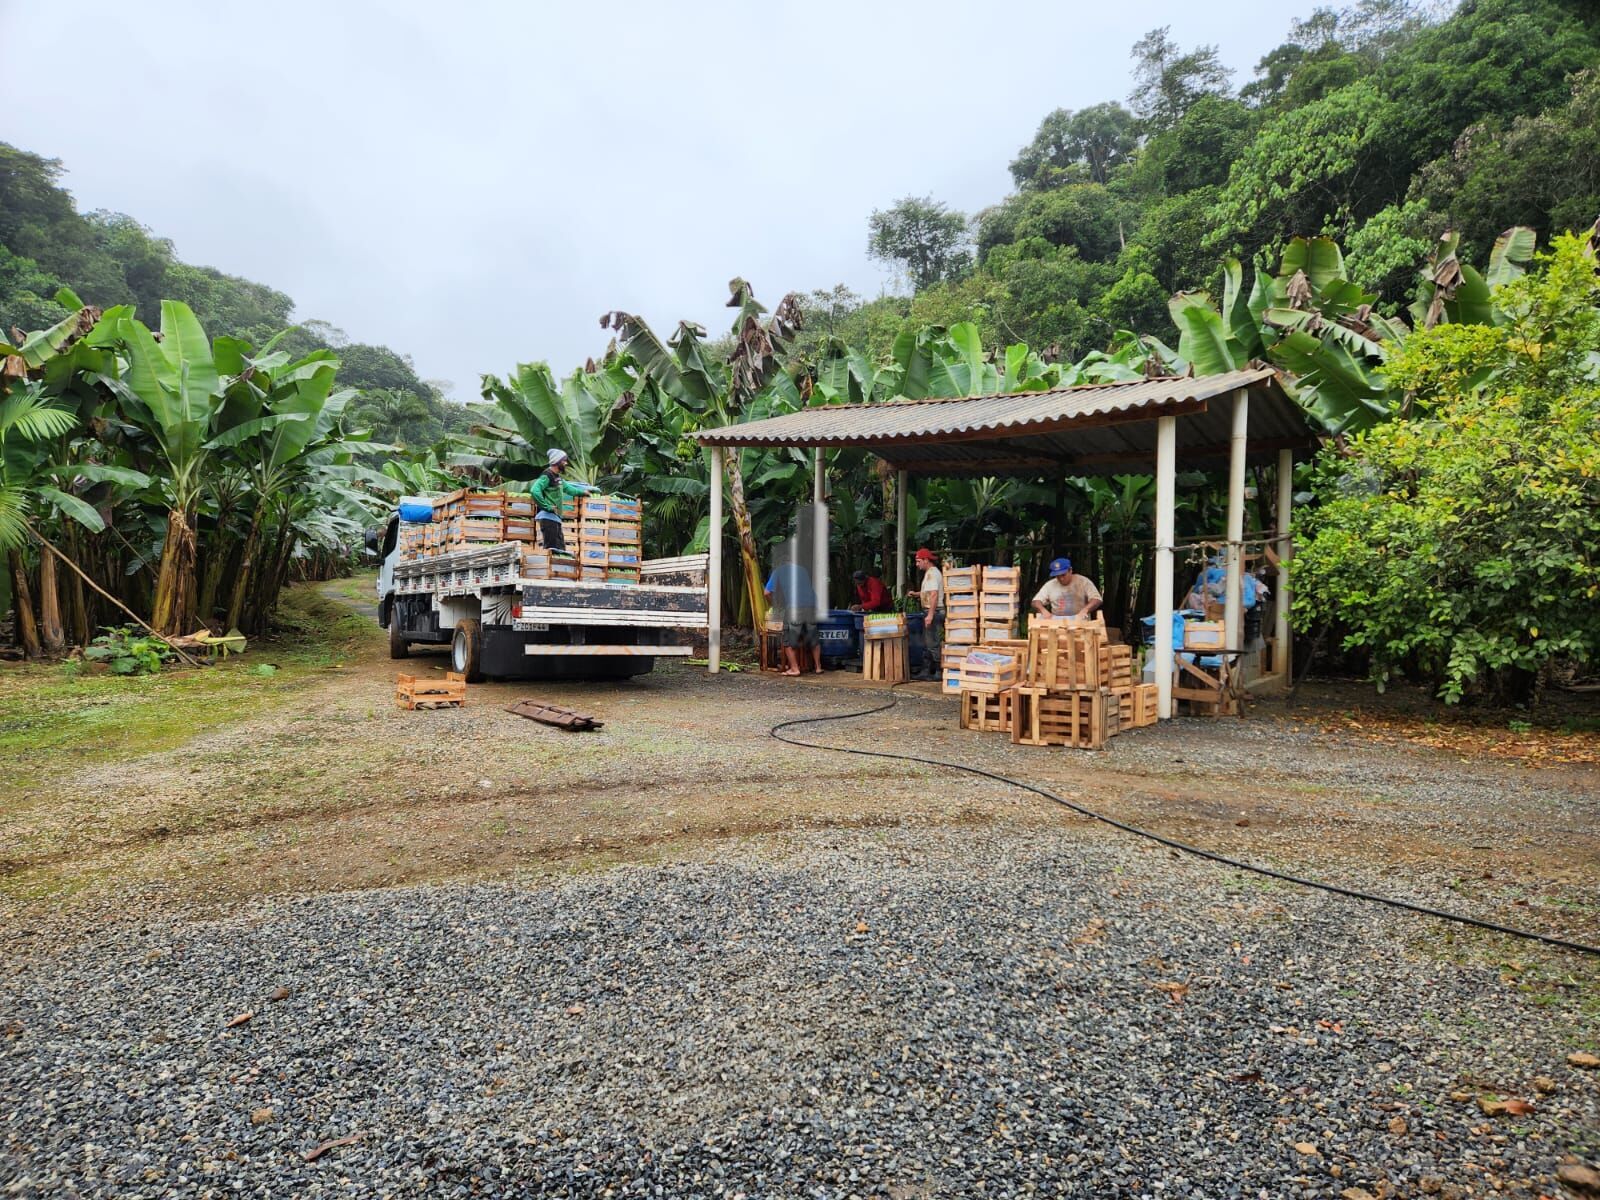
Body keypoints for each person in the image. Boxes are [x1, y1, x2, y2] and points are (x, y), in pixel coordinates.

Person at [529, 449, 595, 554]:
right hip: (548, 518)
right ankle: (551, 570)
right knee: (552, 551)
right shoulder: (547, 476)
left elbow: (569, 489)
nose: (566, 463)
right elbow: (534, 491)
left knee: (560, 550)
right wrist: (547, 507)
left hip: (555, 519)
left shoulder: (557, 478)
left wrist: (583, 492)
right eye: (564, 460)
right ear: (557, 462)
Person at [765, 557, 822, 676]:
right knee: (813, 638)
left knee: (789, 640)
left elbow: (767, 592)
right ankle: (818, 667)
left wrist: (774, 604)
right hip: (811, 606)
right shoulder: (803, 570)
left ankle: (794, 669)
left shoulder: (779, 571)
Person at [1031, 557, 1102, 619]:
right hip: (1057, 623)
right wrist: (1043, 610)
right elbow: (1035, 601)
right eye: (1058, 576)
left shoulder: (1083, 581)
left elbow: (1097, 599)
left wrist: (1085, 610)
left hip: (1080, 620)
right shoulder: (1050, 585)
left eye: (1063, 575)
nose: (1061, 578)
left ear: (1070, 570)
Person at [916, 548, 943, 677]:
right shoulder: (930, 573)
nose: (917, 564)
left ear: (926, 560)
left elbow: (934, 595)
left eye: (919, 561)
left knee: (932, 642)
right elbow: (929, 592)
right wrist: (917, 594)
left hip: (934, 610)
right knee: (928, 641)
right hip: (931, 610)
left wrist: (930, 615)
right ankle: (927, 670)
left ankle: (937, 671)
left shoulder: (932, 573)